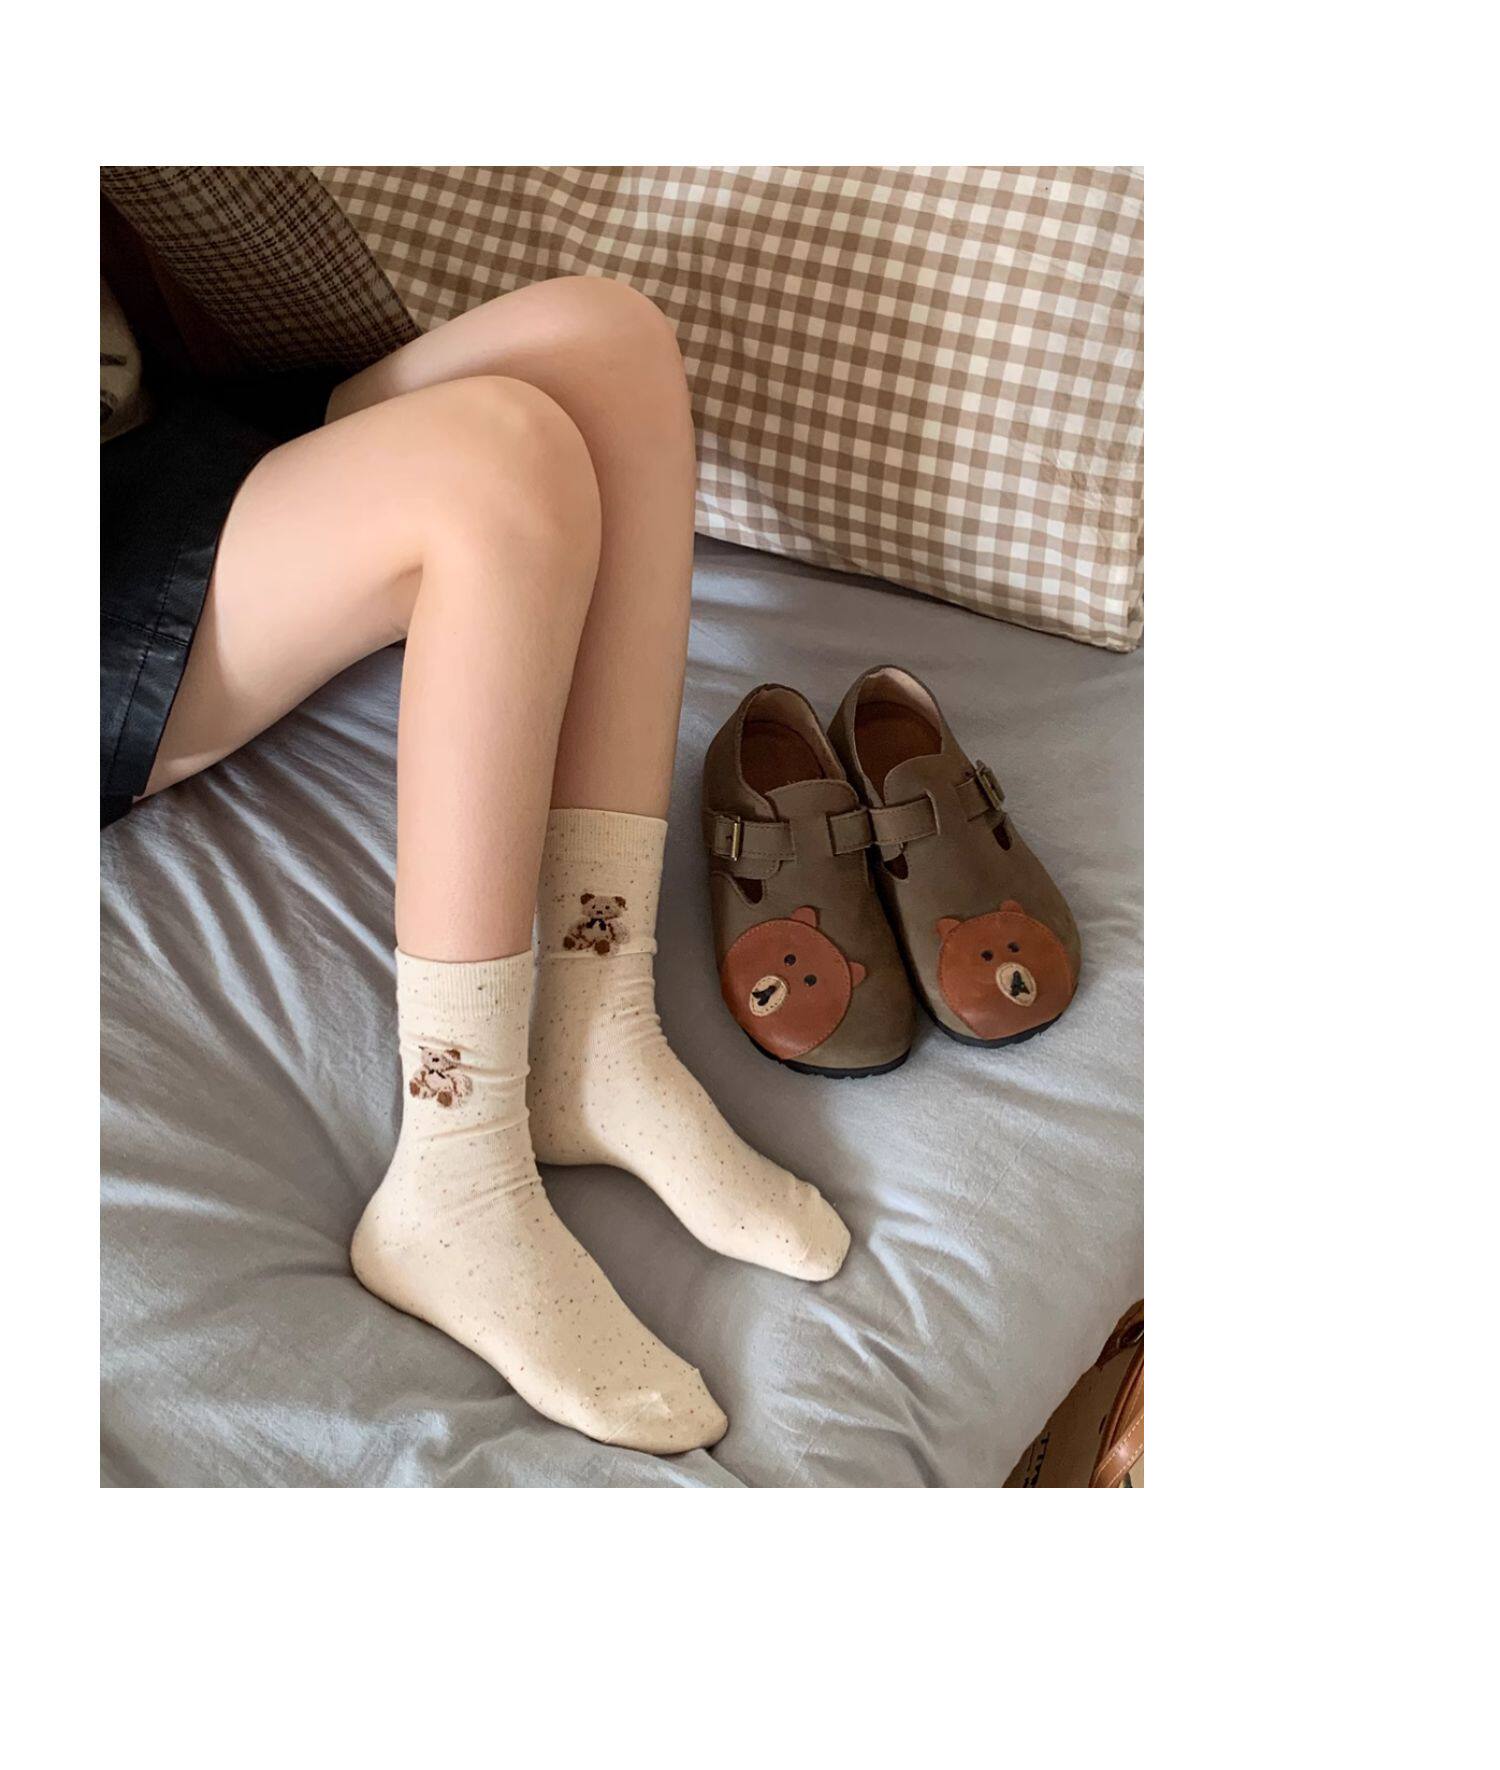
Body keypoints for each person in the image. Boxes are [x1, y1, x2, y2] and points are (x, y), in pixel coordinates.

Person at [102, 274, 851, 1454]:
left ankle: (595, 1030)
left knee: (608, 342)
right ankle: (455, 1163)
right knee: (499, 467)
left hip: (161, 426)